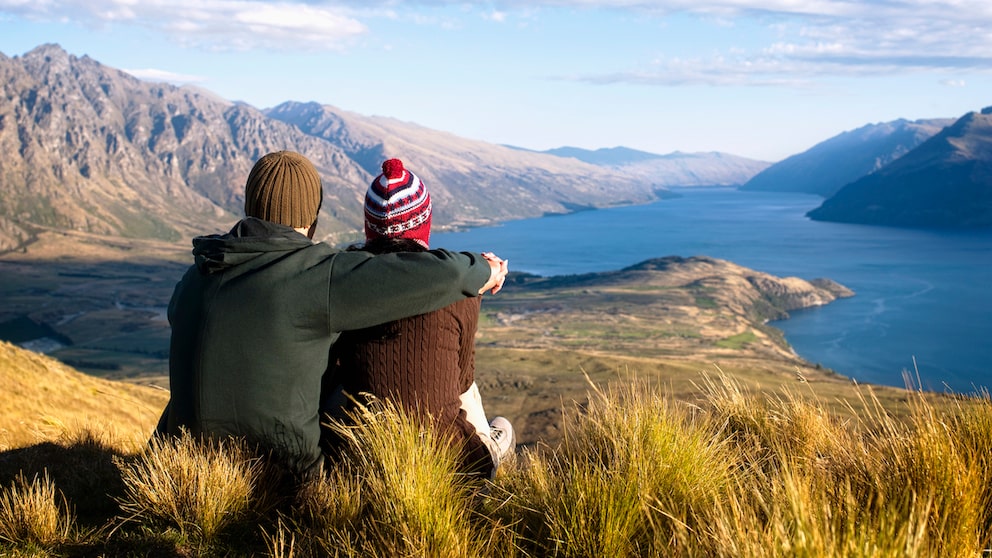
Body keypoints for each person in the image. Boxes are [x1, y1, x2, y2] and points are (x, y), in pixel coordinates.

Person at [155, 151, 507, 478]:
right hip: (281, 480)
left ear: (249, 206)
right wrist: (484, 269)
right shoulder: (313, 276)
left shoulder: (195, 276)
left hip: (183, 468)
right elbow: (441, 275)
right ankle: (485, 452)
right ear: (312, 217)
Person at [321, 158, 515, 479]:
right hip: (452, 464)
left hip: (364, 457)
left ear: (370, 227)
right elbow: (462, 381)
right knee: (467, 387)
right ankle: (487, 453)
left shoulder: (343, 284)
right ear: (423, 224)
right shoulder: (459, 291)